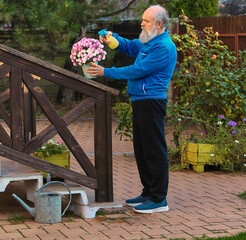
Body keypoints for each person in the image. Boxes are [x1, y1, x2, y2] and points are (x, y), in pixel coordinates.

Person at [87, 4, 177, 214]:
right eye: (143, 20)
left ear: (159, 24)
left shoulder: (163, 47)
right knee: (142, 148)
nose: (141, 23)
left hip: (151, 101)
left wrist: (105, 71)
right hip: (140, 99)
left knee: (154, 150)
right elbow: (129, 46)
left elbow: (138, 70)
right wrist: (112, 39)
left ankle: (159, 198)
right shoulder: (149, 41)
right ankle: (148, 192)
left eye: (146, 20)